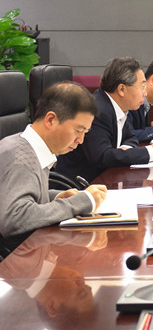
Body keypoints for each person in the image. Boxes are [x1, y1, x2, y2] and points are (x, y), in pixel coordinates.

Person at [0, 82, 108, 254]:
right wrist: (80, 203)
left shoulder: (27, 146)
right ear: (51, 120)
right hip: (16, 262)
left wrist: (56, 197)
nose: (80, 140)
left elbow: (15, 196)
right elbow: (15, 219)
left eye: (85, 132)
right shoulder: (21, 159)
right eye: (78, 130)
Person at [55, 57, 153, 182]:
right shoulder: (98, 110)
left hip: (103, 180)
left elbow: (131, 137)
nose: (145, 93)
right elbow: (102, 157)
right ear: (121, 89)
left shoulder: (117, 107)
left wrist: (122, 152)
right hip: (78, 185)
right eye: (142, 87)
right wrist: (150, 153)